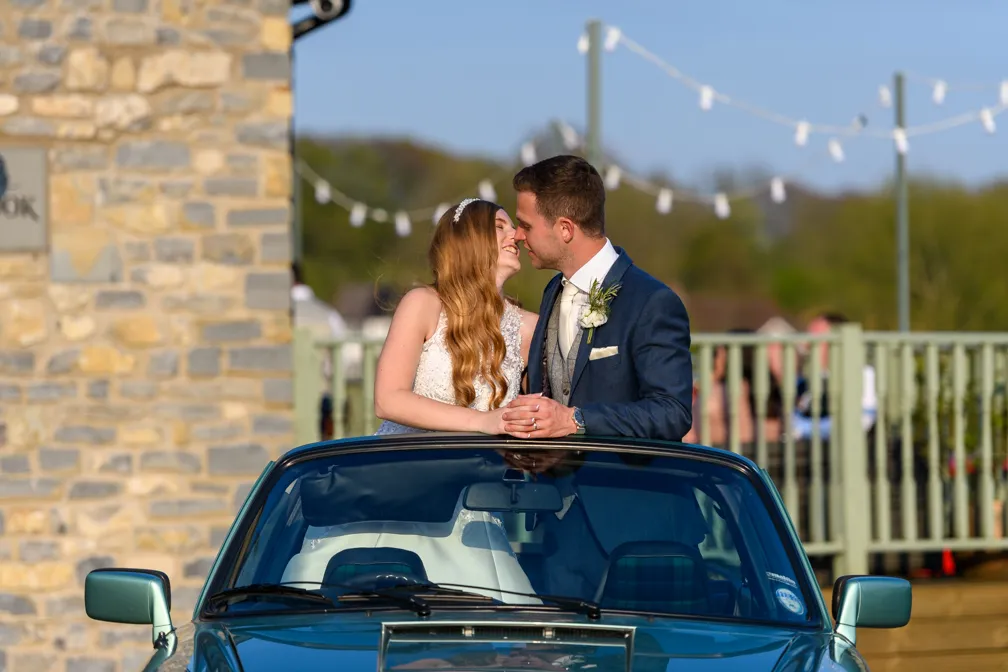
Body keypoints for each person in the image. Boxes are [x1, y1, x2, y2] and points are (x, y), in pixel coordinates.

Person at [340, 198, 540, 602]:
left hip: (473, 506)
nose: (516, 235)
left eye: (513, 227)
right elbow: (388, 400)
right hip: (399, 494)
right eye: (500, 227)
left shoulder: (530, 327)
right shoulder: (423, 304)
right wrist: (485, 423)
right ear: (469, 242)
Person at [500, 154, 693, 441]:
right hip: (552, 484)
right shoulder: (552, 291)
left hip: (619, 483)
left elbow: (672, 413)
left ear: (565, 229)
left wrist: (575, 420)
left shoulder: (652, 302)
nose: (517, 235)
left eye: (526, 225)